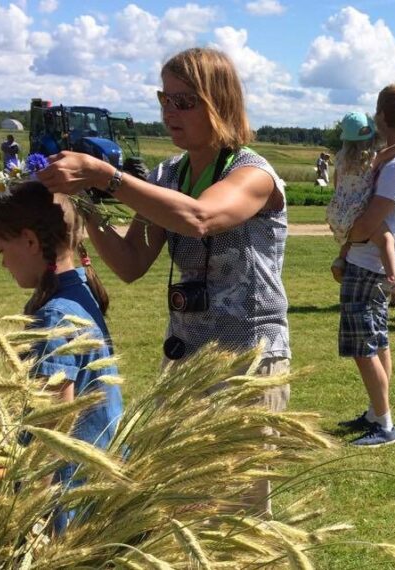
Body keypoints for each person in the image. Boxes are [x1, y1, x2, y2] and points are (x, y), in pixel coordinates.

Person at [37, 47, 291, 513]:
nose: (170, 112)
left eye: (185, 101)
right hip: (185, 359)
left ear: (220, 102)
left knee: (238, 514)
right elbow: (131, 261)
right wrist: (87, 201)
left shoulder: (253, 173)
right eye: (164, 99)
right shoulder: (168, 176)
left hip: (246, 363)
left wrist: (106, 176)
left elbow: (200, 217)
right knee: (182, 505)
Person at [0, 181, 123, 535]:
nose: (2, 263)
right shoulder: (79, 291)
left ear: (29, 240)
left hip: (68, 499)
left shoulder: (55, 316)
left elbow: (54, 426)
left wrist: (35, 513)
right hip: (94, 482)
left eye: (0, 249)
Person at [335, 84, 395, 447]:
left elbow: (368, 223)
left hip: (367, 266)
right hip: (376, 266)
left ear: (383, 116)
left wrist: (344, 233)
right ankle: (377, 412)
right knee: (378, 341)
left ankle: (385, 425)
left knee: (363, 347)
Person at [325, 111, 395, 298]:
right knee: (386, 240)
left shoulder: (341, 160)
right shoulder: (373, 158)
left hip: (339, 211)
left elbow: (337, 186)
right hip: (358, 210)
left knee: (351, 235)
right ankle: (394, 279)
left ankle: (340, 260)